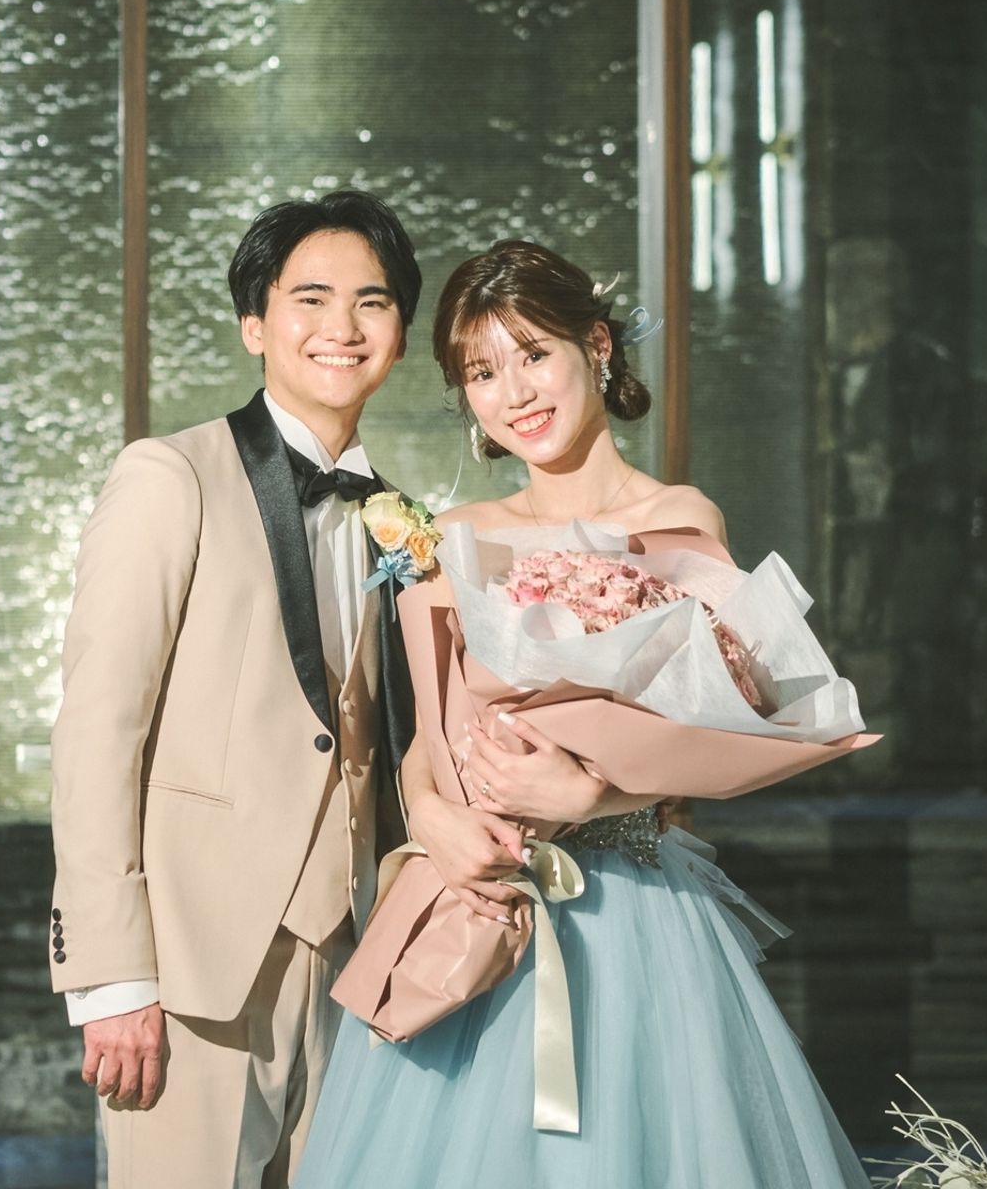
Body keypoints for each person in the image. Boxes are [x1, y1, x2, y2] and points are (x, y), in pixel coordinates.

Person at [294, 239, 871, 1188]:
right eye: (482, 372)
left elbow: (714, 737)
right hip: (482, 901)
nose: (513, 392)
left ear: (596, 346)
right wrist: (431, 816)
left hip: (633, 919)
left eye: (532, 354)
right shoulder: (455, 539)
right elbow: (426, 740)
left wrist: (596, 795)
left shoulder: (681, 523)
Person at [47, 191, 445, 1188]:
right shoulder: (168, 476)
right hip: (192, 972)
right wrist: (112, 974)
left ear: (399, 333)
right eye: (310, 298)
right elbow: (97, 731)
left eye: (372, 301)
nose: (342, 325)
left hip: (356, 961)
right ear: (254, 324)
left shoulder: (400, 518)